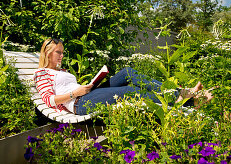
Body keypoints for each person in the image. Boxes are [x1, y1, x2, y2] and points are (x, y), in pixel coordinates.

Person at [34, 38, 213, 115]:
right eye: (58, 52)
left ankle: (179, 93)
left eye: (62, 52)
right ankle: (188, 100)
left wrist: (88, 85)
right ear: (48, 52)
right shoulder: (41, 73)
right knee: (130, 91)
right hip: (80, 103)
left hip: (86, 92)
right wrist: (76, 93)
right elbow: (50, 100)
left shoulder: (62, 71)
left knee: (127, 72)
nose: (62, 56)